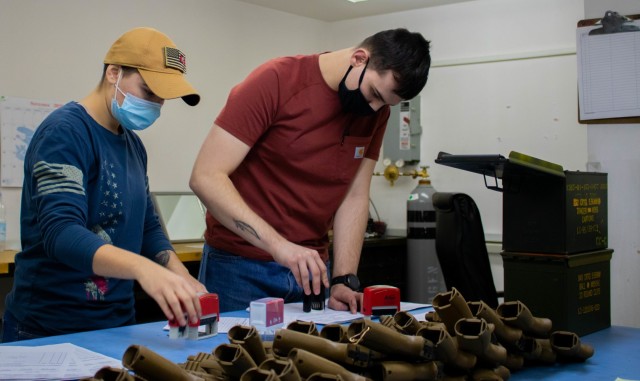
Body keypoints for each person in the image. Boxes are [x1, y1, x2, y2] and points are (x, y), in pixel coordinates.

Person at [190, 28, 431, 313]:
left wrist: (344, 278)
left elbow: (354, 196)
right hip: (240, 267)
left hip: (314, 273)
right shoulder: (276, 80)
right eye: (374, 94)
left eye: (385, 103)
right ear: (358, 58)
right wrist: (280, 246)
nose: (374, 108)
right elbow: (206, 177)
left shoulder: (376, 113)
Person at [2, 27, 206, 342]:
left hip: (118, 322)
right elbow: (62, 233)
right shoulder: (64, 134)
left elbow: (147, 227)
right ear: (113, 73)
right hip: (51, 327)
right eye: (148, 92)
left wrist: (178, 274)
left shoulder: (133, 145)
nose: (156, 106)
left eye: (163, 99)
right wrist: (144, 269)